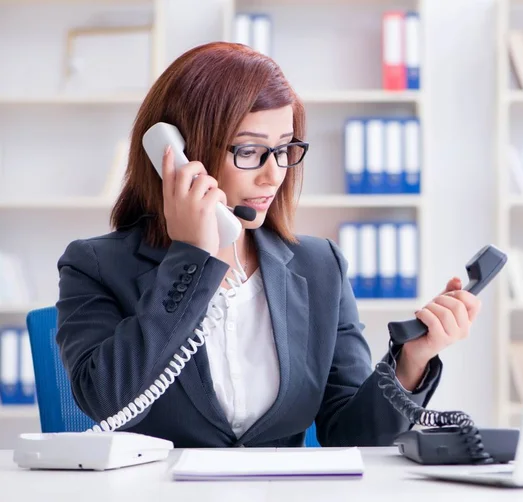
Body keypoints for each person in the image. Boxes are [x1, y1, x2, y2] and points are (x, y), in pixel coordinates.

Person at [55, 41, 481, 448]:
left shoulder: (320, 267)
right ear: (179, 154)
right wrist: (191, 257)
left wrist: (410, 363)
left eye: (284, 150)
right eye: (249, 151)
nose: (273, 174)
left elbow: (350, 434)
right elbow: (107, 400)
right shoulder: (94, 265)